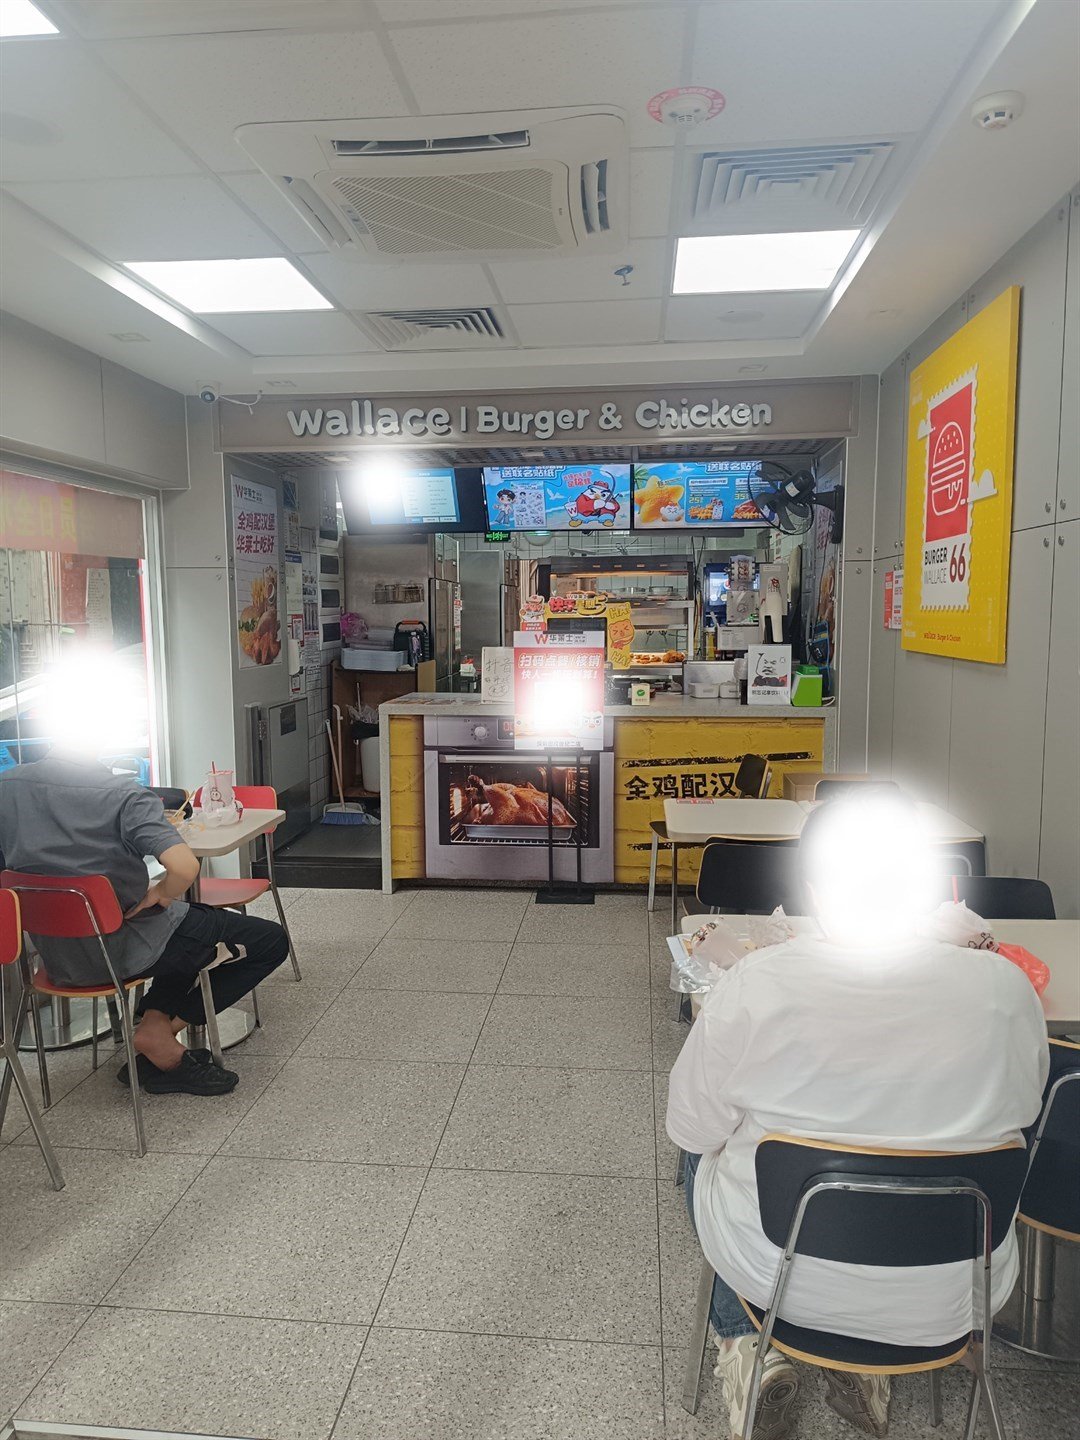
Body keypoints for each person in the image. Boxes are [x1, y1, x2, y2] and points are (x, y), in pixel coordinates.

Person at [666, 794, 1048, 1440]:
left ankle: (744, 1346)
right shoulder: (1005, 989)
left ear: (813, 887)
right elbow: (1025, 1112)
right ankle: (865, 1368)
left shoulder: (757, 983)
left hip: (781, 1278)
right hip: (957, 1294)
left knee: (702, 1148)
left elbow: (690, 1129)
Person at [0, 655, 288, 1096]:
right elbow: (185, 868)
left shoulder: (9, 788)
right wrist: (162, 894)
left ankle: (153, 1023)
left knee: (193, 937)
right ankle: (164, 1036)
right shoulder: (123, 795)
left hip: (52, 957)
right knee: (266, 940)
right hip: (125, 945)